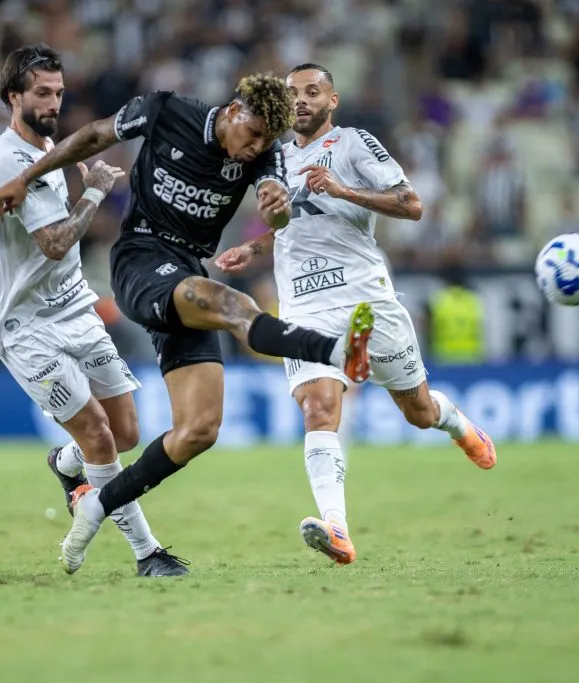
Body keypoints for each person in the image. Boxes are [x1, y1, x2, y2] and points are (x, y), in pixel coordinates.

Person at [0, 70, 376, 574]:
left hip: (187, 274)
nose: (255, 146)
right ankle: (336, 351)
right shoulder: (166, 110)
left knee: (199, 430)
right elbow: (92, 136)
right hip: (140, 259)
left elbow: (277, 210)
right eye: (253, 132)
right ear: (235, 110)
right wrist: (27, 176)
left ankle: (95, 507)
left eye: (266, 140)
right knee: (232, 306)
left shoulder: (265, 152)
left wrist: (276, 207)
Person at [214, 64, 497, 566]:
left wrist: (343, 190)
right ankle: (337, 527)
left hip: (366, 296)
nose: (300, 100)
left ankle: (456, 424)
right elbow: (294, 223)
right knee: (319, 408)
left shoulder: (353, 143)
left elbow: (411, 205)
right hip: (303, 302)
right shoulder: (272, 156)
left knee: (419, 412)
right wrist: (253, 250)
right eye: (292, 93)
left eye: (312, 92)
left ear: (332, 100)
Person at [0, 44, 187, 577]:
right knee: (96, 432)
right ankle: (148, 553)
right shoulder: (5, 158)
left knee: (126, 433)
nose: (52, 102)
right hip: (25, 327)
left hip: (73, 307)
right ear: (12, 96)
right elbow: (53, 241)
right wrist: (93, 193)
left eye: (59, 93)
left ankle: (66, 466)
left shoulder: (46, 147)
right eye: (42, 93)